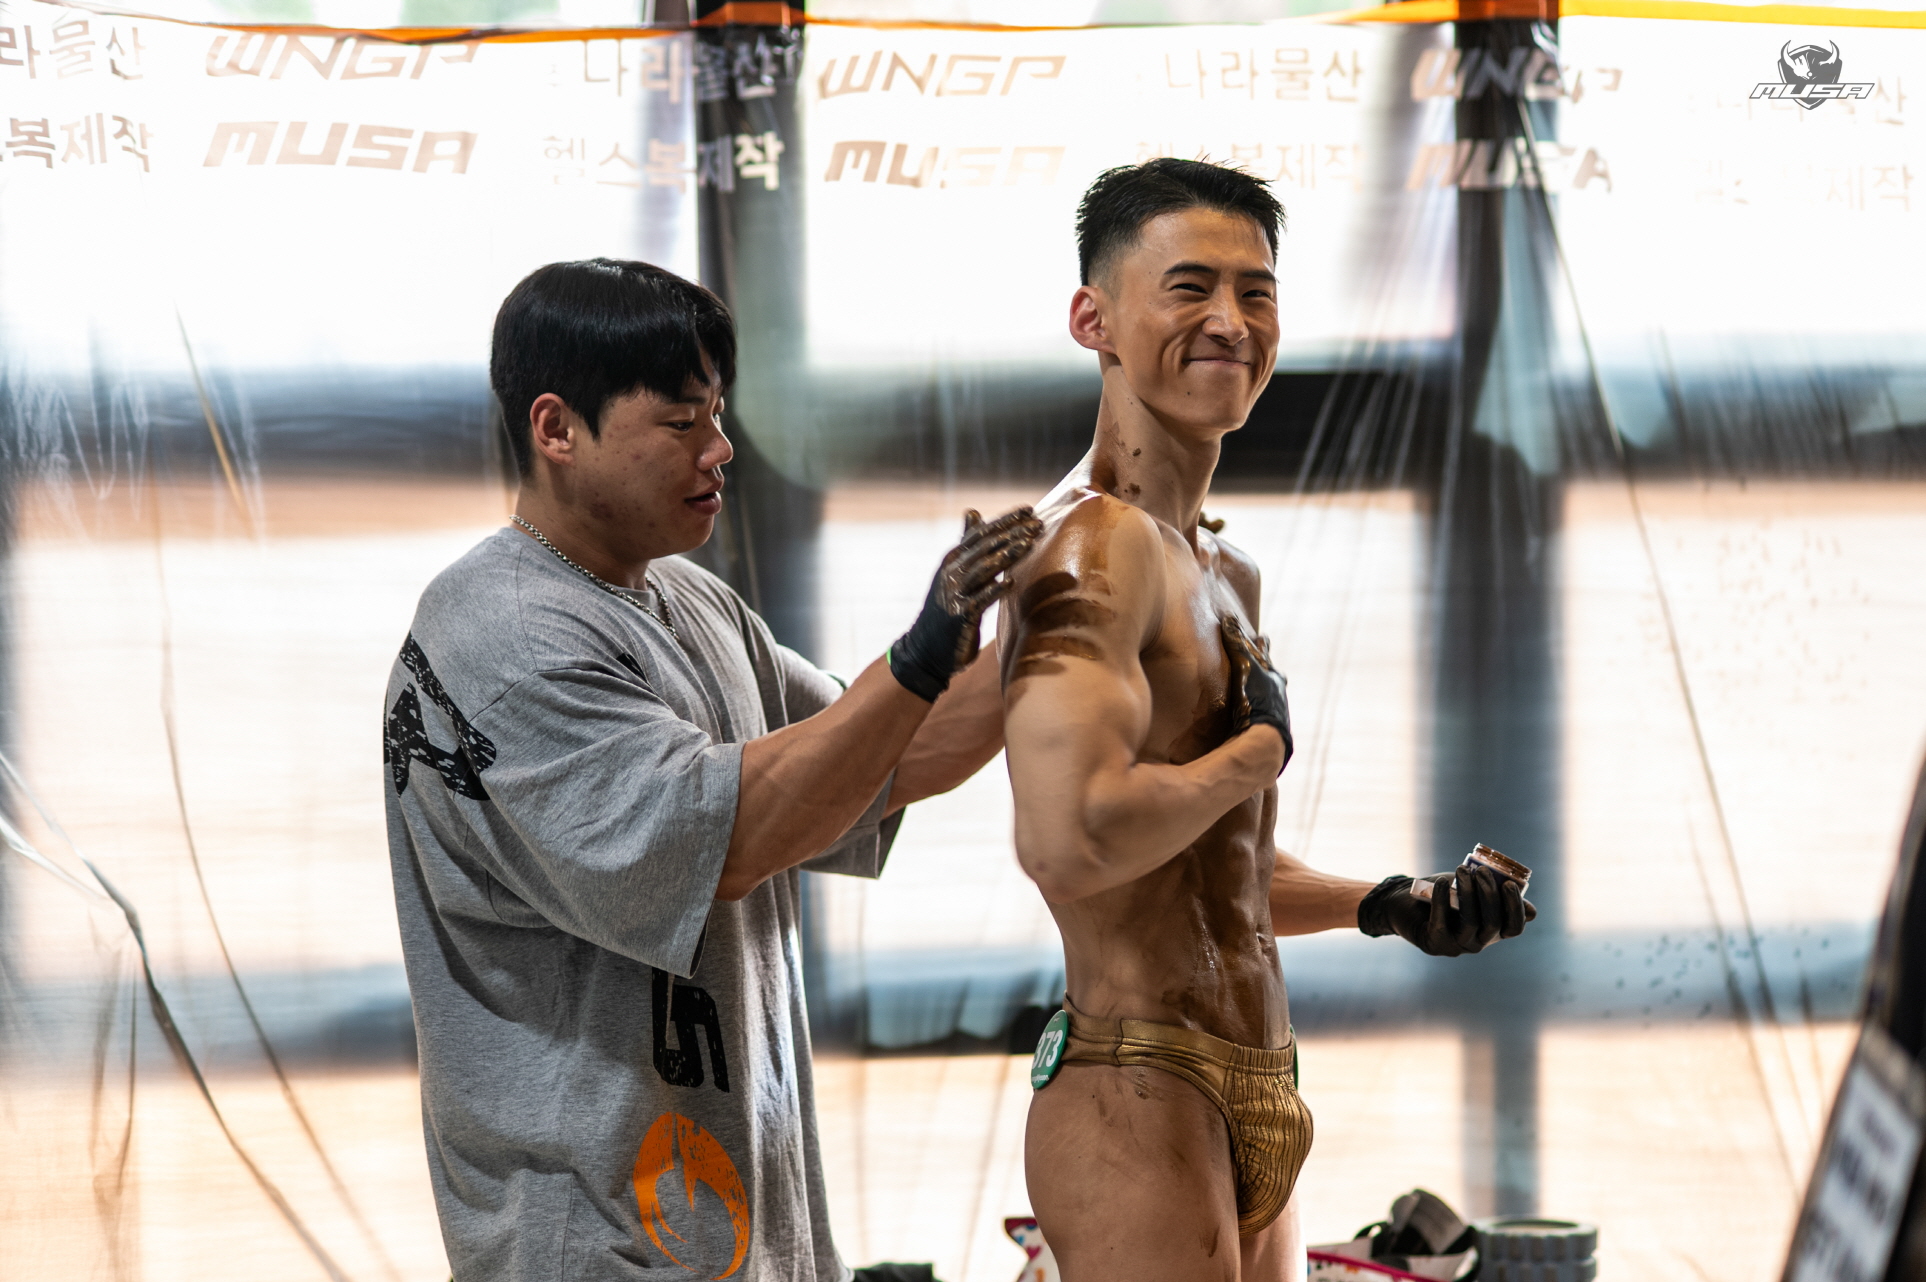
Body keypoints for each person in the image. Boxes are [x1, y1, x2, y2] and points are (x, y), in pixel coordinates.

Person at [382, 258, 1040, 1281]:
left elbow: (886, 753)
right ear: (556, 429)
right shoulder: (502, 634)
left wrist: (1062, 604)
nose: (720, 448)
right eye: (682, 420)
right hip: (594, 1238)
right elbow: (729, 838)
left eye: (719, 414)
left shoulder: (693, 601)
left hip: (734, 1224)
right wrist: (917, 658)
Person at [1002, 159, 1535, 1282]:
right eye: (1189, 288)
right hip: (1137, 1081)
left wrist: (1384, 902)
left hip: (1260, 1076)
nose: (1230, 322)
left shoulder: (1223, 567)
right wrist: (1255, 753)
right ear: (1094, 321)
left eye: (1257, 292)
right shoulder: (1090, 546)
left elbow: (1206, 859)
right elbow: (1071, 840)